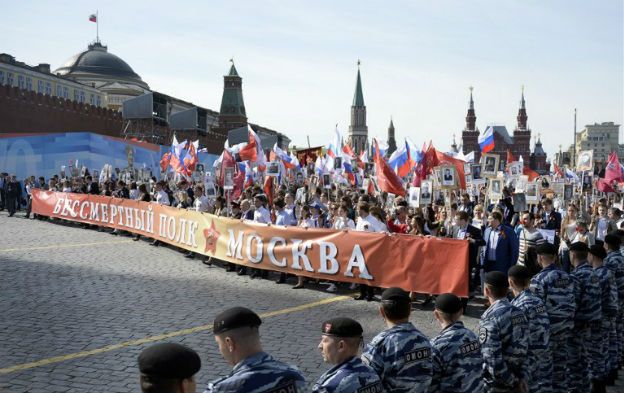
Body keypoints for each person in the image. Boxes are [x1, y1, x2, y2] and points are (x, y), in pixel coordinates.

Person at [204, 307, 306, 392]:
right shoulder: (294, 374)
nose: (220, 349)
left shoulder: (222, 389)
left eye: (218, 343)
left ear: (229, 343)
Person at [361, 287, 433, 393]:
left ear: (381, 312)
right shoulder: (424, 339)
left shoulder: (380, 344)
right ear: (410, 310)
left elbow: (365, 381)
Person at [529, 243, 575, 393]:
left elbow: (534, 309)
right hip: (566, 330)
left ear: (540, 258)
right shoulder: (567, 276)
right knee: (561, 371)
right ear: (555, 257)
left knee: (544, 373)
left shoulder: (538, 279)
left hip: (547, 334)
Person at [478, 271, 529, 393]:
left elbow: (491, 359)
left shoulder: (490, 318)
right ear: (507, 290)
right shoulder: (519, 312)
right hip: (518, 379)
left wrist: (513, 382)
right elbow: (527, 347)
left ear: (486, 291)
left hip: (497, 385)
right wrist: (521, 378)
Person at [508, 265, 552, 393]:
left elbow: (517, 340)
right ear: (529, 281)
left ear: (510, 282)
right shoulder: (538, 300)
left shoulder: (517, 306)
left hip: (528, 361)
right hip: (544, 356)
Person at [429, 293, 484, 393]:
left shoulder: (436, 345)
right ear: (461, 311)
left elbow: (431, 383)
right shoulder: (474, 336)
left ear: (436, 314)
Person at [313, 317, 382, 393]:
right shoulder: (373, 375)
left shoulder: (329, 386)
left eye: (325, 341)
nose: (320, 346)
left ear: (341, 346)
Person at [568, 241, 602, 393]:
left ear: (572, 254)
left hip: (579, 325)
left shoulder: (576, 276)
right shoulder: (594, 273)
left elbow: (572, 303)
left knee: (576, 362)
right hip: (594, 322)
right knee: (588, 360)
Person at [588, 244, 618, 392]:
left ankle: (599, 386)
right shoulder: (607, 272)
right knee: (604, 350)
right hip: (608, 317)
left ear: (592, 256)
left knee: (597, 352)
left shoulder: (598, 275)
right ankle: (604, 380)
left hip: (600, 318)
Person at [602, 233, 624, 385]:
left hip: (613, 301)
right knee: (619, 332)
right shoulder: (622, 257)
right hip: (621, 299)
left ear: (607, 245)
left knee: (612, 335)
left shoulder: (610, 260)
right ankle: (617, 363)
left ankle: (612, 368)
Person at [452, 211, 485, 304]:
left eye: (457, 219)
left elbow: (483, 242)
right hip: (455, 260)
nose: (455, 221)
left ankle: (464, 303)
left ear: (463, 221)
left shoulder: (474, 230)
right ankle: (456, 298)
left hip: (468, 260)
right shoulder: (454, 228)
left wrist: (473, 240)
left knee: (465, 281)